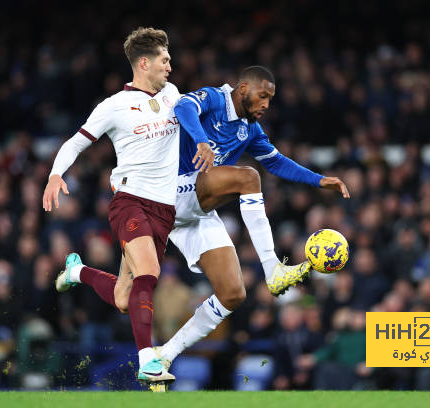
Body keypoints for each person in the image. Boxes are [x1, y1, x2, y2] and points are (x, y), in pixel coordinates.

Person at [63, 66, 349, 373]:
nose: (266, 104)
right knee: (249, 177)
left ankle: (161, 348)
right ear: (243, 89)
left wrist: (319, 180)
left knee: (229, 293)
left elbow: (277, 162)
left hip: (194, 210)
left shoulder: (250, 129)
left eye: (271, 98)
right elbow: (184, 106)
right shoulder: (215, 98)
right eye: (262, 95)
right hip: (165, 192)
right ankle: (273, 269)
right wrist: (200, 140)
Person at [42, 27, 214, 387]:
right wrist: (56, 175)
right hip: (129, 202)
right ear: (144, 63)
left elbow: (190, 115)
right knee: (149, 273)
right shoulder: (113, 107)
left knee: (125, 297)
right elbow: (75, 143)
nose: (171, 66)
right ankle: (147, 359)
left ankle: (78, 273)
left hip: (164, 211)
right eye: (165, 60)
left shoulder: (172, 94)